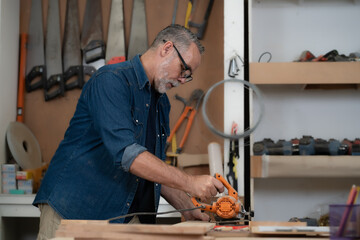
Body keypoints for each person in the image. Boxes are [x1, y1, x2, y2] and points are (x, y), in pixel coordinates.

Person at [33, 24, 224, 240]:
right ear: (167, 48)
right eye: (184, 70)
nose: (183, 80)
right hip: (73, 210)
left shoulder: (161, 104)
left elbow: (152, 168)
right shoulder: (111, 81)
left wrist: (186, 206)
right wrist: (191, 182)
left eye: (188, 76)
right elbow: (128, 154)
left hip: (121, 217)